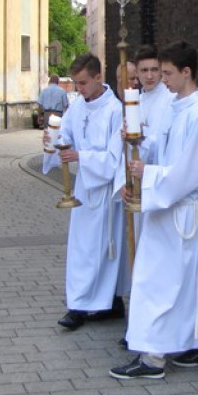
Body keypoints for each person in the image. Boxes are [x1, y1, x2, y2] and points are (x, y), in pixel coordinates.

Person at [110, 41, 198, 379]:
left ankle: (153, 358)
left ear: (186, 72)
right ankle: (190, 342)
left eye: (167, 73)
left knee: (160, 284)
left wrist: (148, 174)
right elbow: (159, 148)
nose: (161, 80)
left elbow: (189, 171)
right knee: (175, 284)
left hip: (183, 212)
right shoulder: (178, 107)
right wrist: (137, 142)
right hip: (168, 210)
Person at [42, 54, 126, 331]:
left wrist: (82, 156)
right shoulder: (77, 107)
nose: (79, 89)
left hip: (104, 193)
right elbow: (65, 135)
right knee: (82, 250)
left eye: (83, 83)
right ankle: (79, 304)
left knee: (103, 250)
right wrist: (53, 141)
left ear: (98, 78)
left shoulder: (115, 110)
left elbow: (115, 158)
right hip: (82, 191)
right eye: (76, 84)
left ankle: (106, 302)